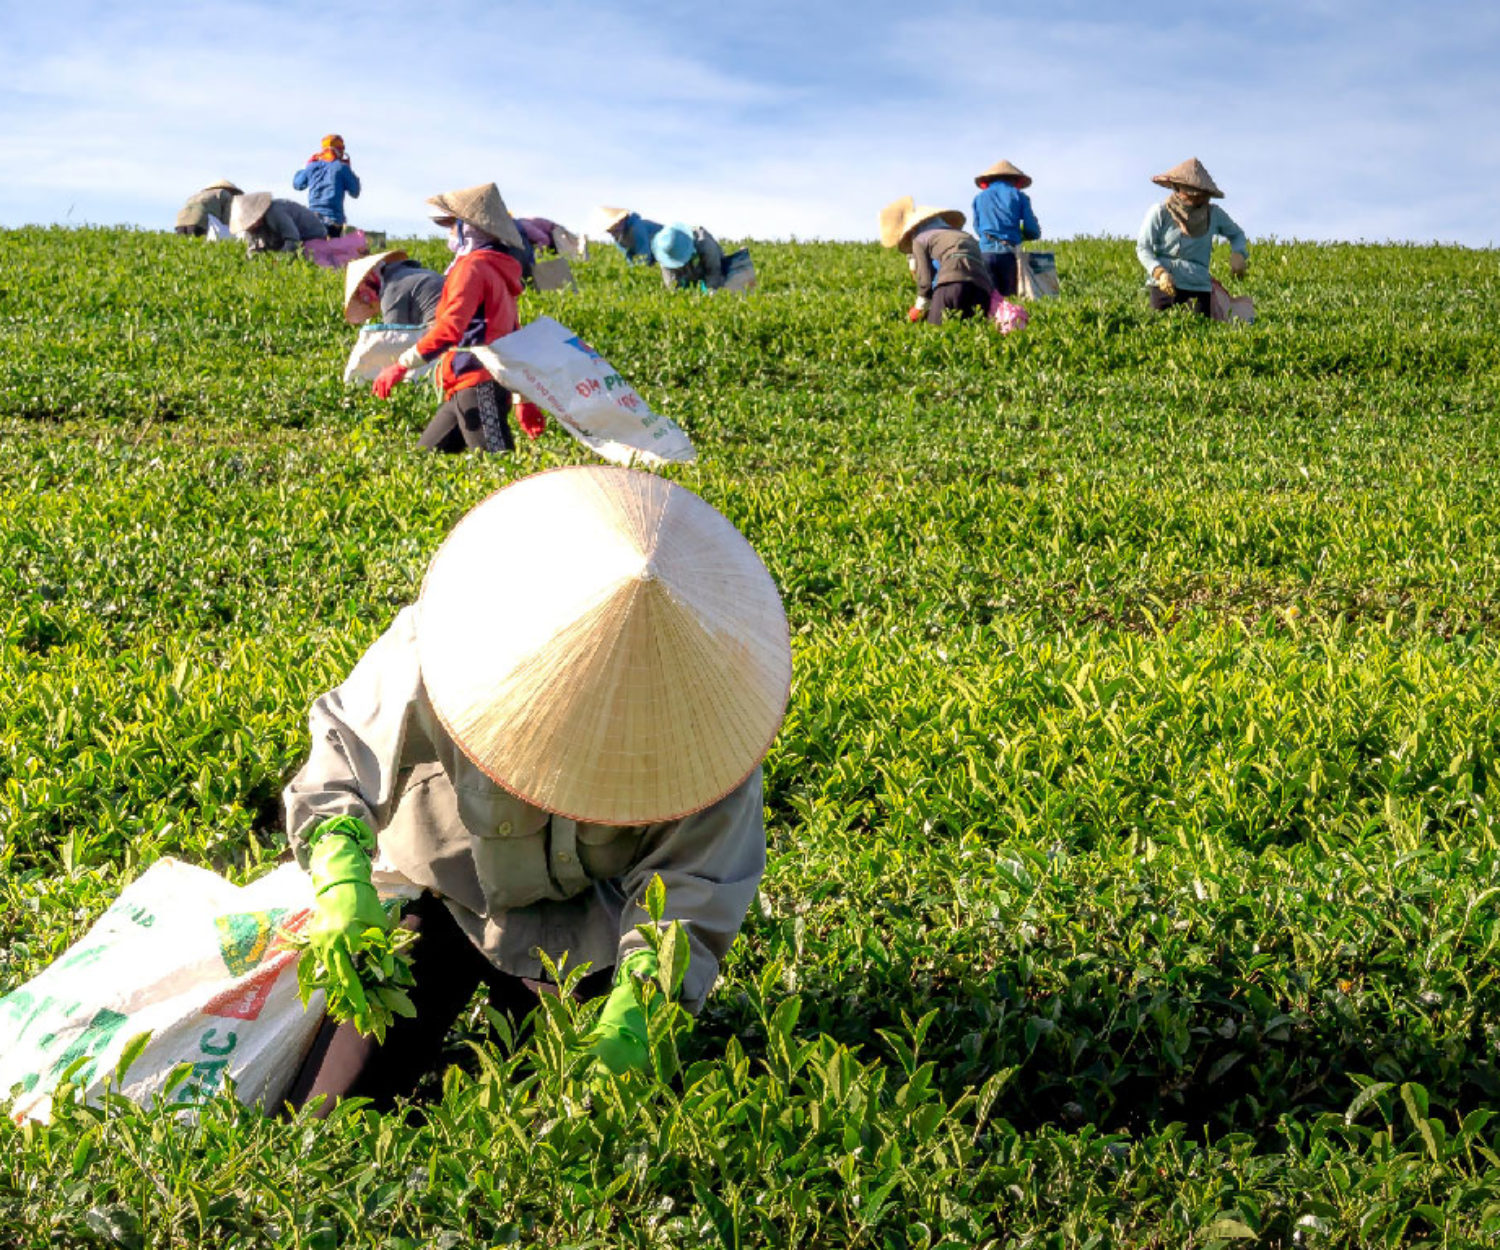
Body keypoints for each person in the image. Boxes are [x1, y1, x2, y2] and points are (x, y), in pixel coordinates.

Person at [282, 464, 793, 1116]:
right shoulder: (442, 640)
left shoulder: (713, 732)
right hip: (444, 894)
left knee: (586, 1132)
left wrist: (641, 1000)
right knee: (323, 1118)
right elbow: (343, 756)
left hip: (587, 927)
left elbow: (693, 888)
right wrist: (341, 878)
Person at [369, 182, 526, 454]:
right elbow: (514, 336)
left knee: (499, 469)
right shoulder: (496, 270)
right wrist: (522, 398)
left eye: (454, 225)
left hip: (479, 383)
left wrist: (401, 365)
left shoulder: (472, 268)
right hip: (465, 384)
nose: (451, 232)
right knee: (423, 459)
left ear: (470, 229)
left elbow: (450, 329)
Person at [1136, 158, 1248, 317]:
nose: (1199, 199)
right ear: (1178, 189)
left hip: (1198, 287)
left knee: (1199, 334)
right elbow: (1143, 248)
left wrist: (1238, 253)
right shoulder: (1160, 212)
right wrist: (1159, 272)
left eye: (1202, 195)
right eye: (1192, 194)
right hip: (1163, 286)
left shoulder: (1214, 214)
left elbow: (1237, 235)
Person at [881, 199, 993, 324]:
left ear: (913, 230)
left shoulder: (920, 239)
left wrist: (919, 308)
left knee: (935, 331)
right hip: (983, 289)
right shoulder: (964, 235)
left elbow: (925, 282)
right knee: (972, 332)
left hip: (951, 285)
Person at [971, 160, 1041, 297]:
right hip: (1009, 255)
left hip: (984, 254)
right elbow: (1032, 230)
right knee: (1009, 300)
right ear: (1015, 180)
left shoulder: (978, 198)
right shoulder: (1019, 196)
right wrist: (1022, 235)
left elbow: (977, 228)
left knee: (990, 300)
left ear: (989, 180)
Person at [343, 250, 444, 326]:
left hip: (442, 331)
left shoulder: (391, 289)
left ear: (368, 278)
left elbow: (394, 338)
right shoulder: (409, 273)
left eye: (360, 292)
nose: (365, 299)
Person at [292, 134, 361, 238]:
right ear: (340, 150)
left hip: (312, 220)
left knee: (312, 252)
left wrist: (306, 167)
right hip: (334, 224)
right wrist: (350, 172)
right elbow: (355, 192)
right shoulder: (342, 168)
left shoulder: (312, 167)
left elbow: (297, 184)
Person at [230, 192, 329, 257]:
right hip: (289, 240)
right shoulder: (251, 229)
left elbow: (293, 240)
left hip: (312, 237)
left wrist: (278, 259)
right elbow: (252, 248)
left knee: (306, 256)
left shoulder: (275, 212)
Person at [652, 223, 726, 291]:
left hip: (711, 268)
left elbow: (714, 274)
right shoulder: (666, 252)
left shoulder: (706, 246)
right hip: (687, 275)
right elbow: (672, 285)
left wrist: (711, 292)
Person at [174, 179, 241, 236]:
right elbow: (226, 220)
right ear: (230, 190)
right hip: (200, 220)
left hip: (180, 220)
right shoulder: (225, 194)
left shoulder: (198, 195)